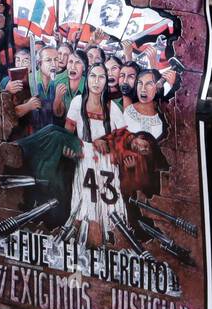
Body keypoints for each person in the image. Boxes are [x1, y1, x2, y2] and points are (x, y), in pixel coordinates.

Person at [63, 62, 128, 248]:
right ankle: (84, 246)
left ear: (106, 82)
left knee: (109, 206)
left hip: (107, 163)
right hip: (84, 160)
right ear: (87, 79)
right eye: (93, 76)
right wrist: (73, 146)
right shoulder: (77, 102)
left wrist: (107, 140)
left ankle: (111, 244)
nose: (96, 81)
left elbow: (124, 137)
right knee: (85, 206)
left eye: (101, 77)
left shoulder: (112, 107)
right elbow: (68, 133)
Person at [115, 68, 166, 141]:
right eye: (140, 83)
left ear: (157, 89)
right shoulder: (129, 112)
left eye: (149, 84)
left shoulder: (162, 117)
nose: (143, 89)